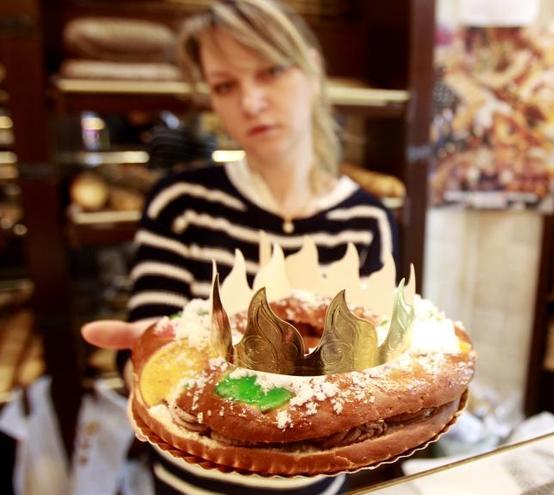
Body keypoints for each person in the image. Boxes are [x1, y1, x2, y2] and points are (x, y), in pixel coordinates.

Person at [82, 1, 397, 493]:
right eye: (225, 85)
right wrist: (146, 357)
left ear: (312, 70)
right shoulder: (182, 204)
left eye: (270, 72)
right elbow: (157, 358)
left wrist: (262, 398)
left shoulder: (368, 220)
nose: (250, 102)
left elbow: (366, 369)